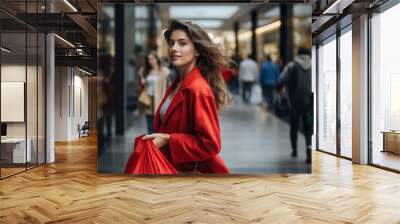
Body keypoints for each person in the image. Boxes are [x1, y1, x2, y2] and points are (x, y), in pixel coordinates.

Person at [141, 19, 230, 174]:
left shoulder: (197, 89)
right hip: (170, 167)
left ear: (196, 50)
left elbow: (210, 144)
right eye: (171, 43)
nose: (174, 48)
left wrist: (169, 140)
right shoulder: (177, 84)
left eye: (182, 43)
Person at [276, 47, 313, 164]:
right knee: (308, 128)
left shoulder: (292, 66)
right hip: (310, 101)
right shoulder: (314, 65)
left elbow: (281, 80)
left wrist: (280, 89)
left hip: (294, 102)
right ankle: (309, 150)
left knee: (294, 126)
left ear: (298, 54)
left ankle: (295, 150)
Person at [138, 51, 170, 134]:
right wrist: (142, 82)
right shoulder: (145, 71)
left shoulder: (165, 72)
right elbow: (141, 87)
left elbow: (169, 86)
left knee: (159, 127)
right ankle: (150, 145)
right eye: (149, 59)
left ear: (156, 59)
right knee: (150, 127)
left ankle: (157, 146)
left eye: (152, 59)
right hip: (148, 101)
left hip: (160, 100)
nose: (150, 61)